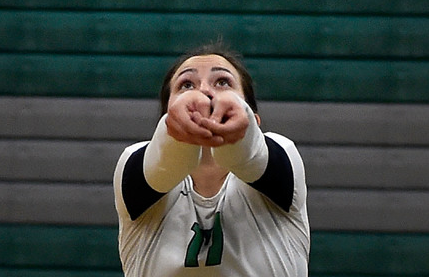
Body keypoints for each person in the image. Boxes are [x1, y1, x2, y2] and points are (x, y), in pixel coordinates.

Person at [113, 42, 310, 276]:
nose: (204, 93)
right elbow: (164, 164)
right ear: (165, 117)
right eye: (186, 85)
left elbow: (250, 154)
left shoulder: (284, 156)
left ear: (254, 120)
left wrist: (239, 129)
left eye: (223, 83)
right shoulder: (132, 165)